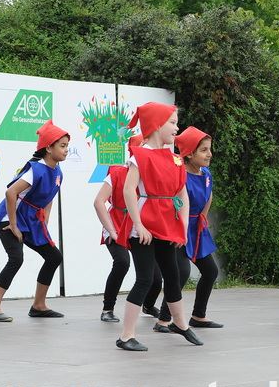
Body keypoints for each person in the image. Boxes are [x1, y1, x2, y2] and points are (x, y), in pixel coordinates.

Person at [115, 102, 202, 351]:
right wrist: (139, 225)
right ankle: (126, 335)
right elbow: (129, 190)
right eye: (172, 123)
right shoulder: (139, 156)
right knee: (144, 278)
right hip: (143, 226)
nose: (177, 128)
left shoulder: (175, 159)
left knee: (173, 275)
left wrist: (182, 226)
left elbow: (182, 194)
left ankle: (180, 324)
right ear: (156, 125)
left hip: (166, 225)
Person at [0, 120, 68, 321]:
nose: (66, 150)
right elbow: (10, 193)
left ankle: (39, 306)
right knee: (16, 258)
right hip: (9, 218)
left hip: (31, 221)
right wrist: (13, 225)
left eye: (67, 145)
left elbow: (49, 197)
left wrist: (44, 223)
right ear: (48, 148)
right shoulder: (36, 169)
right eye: (62, 146)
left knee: (54, 257)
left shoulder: (57, 172)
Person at [155, 126, 223, 330]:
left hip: (196, 228)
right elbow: (171, 203)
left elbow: (209, 194)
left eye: (209, 149)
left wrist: (203, 216)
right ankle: (163, 320)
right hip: (177, 227)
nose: (209, 154)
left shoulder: (206, 173)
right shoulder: (179, 175)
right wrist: (176, 228)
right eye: (204, 150)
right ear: (189, 153)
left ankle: (198, 316)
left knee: (210, 271)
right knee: (181, 272)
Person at [93, 134, 161, 322]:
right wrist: (111, 231)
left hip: (139, 227)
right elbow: (98, 202)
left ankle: (148, 305)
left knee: (155, 275)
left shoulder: (151, 173)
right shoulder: (117, 173)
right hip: (116, 224)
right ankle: (107, 309)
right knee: (122, 262)